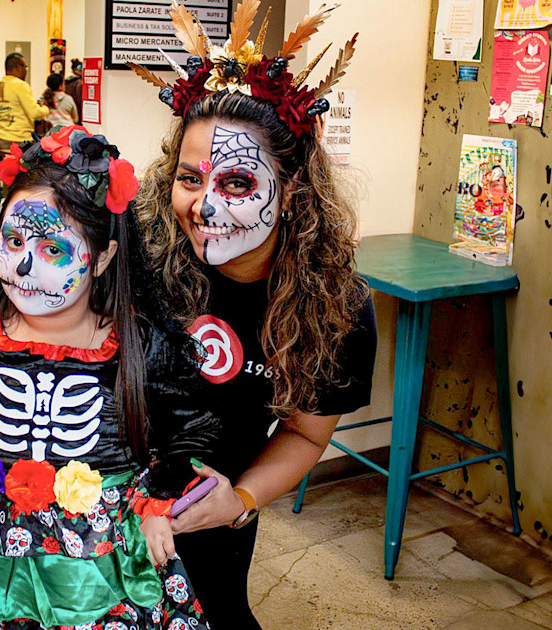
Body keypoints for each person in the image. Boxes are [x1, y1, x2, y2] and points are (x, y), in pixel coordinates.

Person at [0, 126, 215, 630]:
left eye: (54, 250)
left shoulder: (140, 343)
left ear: (102, 257)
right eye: (12, 241)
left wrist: (160, 499)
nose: (24, 266)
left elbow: (197, 426)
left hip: (105, 567)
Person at [133, 3, 377, 628]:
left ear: (291, 188)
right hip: (97, 499)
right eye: (190, 179)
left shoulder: (336, 307)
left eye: (237, 183)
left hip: (211, 513)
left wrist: (240, 499)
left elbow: (305, 433)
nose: (204, 205)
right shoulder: (140, 253)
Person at [0, 53, 48, 152]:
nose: (26, 70)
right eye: (25, 67)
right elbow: (35, 113)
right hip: (20, 140)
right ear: (18, 67)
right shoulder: (20, 86)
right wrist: (46, 109)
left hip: (2, 140)